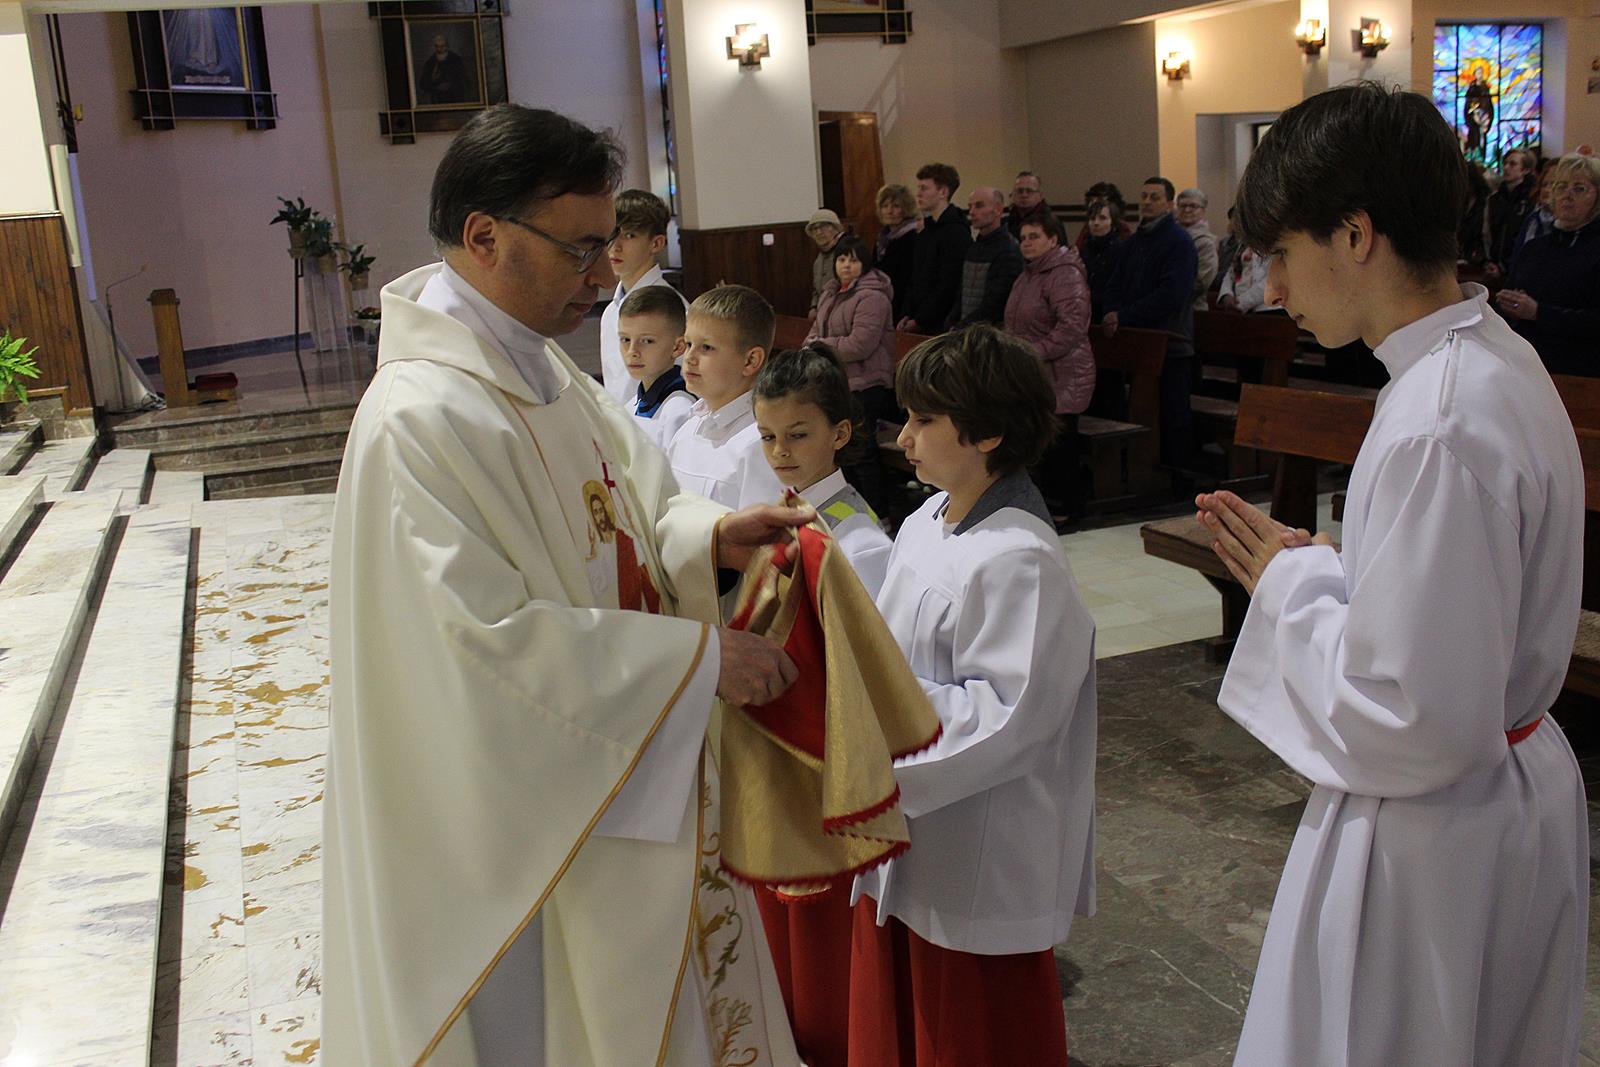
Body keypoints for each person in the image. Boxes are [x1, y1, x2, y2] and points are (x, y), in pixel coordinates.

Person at [324, 104, 812, 1066]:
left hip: (615, 780)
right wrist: (697, 661)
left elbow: (631, 504)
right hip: (518, 843)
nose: (601, 275)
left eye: (606, 246)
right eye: (582, 248)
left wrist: (707, 534)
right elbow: (479, 652)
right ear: (484, 236)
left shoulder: (540, 367)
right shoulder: (419, 418)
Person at [1199, 82, 1587, 1065]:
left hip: (1436, 834)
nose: (1273, 290)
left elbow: (1409, 713)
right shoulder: (1491, 355)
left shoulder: (1435, 420)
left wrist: (1288, 588)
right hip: (1505, 791)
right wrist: (1342, 569)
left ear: (1355, 233)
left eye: (1282, 255)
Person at [848, 324, 1096, 1067]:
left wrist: (866, 723)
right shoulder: (929, 517)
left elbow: (1007, 718)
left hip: (976, 841)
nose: (904, 437)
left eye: (925, 419)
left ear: (988, 433)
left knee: (972, 1033)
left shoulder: (1020, 557)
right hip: (910, 825)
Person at [754, 343, 893, 595]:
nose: (779, 450)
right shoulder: (784, 506)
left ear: (839, 434)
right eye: (768, 437)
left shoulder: (860, 544)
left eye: (798, 435)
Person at [1102, 176, 1199, 468]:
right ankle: (1143, 467)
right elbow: (1114, 283)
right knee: (1139, 408)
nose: (1146, 202)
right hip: (1139, 343)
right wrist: (1111, 311)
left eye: (1154, 197)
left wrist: (1124, 316)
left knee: (1173, 414)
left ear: (1169, 204)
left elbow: (1172, 294)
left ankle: (1178, 473)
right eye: (1143, 196)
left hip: (1170, 343)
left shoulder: (1179, 242)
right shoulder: (1134, 242)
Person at [1004, 213, 1093, 528]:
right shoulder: (1029, 273)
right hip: (1035, 372)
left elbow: (1072, 327)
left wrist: (1032, 352)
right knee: (1040, 441)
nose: (1027, 243)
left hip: (1063, 373)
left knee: (1060, 444)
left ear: (1053, 239)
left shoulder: (1064, 273)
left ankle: (1067, 507)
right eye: (1023, 238)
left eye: (1035, 237)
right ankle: (1042, 504)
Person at [668, 284, 788, 509]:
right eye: (689, 344)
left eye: (706, 347)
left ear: (750, 361)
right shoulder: (687, 428)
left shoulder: (761, 443)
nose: (689, 357)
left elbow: (762, 528)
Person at [806, 235, 896, 514]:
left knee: (862, 453)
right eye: (842, 259)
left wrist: (820, 347)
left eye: (853, 260)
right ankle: (851, 512)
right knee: (841, 452)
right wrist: (814, 347)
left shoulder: (873, 297)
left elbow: (860, 344)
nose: (846, 265)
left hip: (867, 383)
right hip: (838, 382)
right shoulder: (829, 293)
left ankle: (880, 515)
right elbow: (812, 334)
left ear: (864, 264)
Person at [1496, 152, 1600, 376]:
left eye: (1579, 188)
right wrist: (1506, 304)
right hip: (1527, 364)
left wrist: (1539, 313)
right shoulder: (1535, 248)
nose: (1567, 195)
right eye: (1560, 187)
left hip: (1579, 370)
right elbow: (1511, 293)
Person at [599, 188, 683, 405]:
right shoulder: (610, 311)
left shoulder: (675, 310)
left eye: (629, 235)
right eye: (612, 234)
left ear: (656, 243)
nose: (615, 246)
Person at [897, 162, 972, 335]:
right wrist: (906, 314)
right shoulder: (926, 232)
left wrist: (921, 320)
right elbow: (915, 277)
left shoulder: (955, 232)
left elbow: (948, 284)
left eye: (924, 188)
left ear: (942, 192)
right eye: (919, 188)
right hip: (919, 319)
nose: (918, 193)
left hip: (940, 324)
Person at [617, 285, 694, 447]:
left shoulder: (679, 411)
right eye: (625, 339)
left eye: (647, 341)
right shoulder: (631, 405)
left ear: (677, 347)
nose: (632, 351)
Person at [948, 185, 1024, 329]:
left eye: (979, 206)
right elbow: (962, 293)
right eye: (970, 206)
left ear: (998, 209)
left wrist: (960, 327)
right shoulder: (974, 247)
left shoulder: (1008, 250)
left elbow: (995, 304)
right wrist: (951, 323)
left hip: (988, 331)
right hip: (966, 328)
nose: (972, 212)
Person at [875, 184, 921, 323]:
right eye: (885, 206)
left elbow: (909, 277)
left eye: (895, 206)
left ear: (905, 209)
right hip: (881, 302)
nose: (889, 211)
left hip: (902, 305)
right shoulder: (883, 238)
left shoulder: (912, 237)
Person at [1488, 146, 1537, 269]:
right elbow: (1488, 233)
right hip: (1493, 263)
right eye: (1505, 163)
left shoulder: (1531, 198)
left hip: (1520, 265)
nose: (1506, 168)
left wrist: (1506, 265)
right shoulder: (1495, 199)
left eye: (1512, 164)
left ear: (1525, 170)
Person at [1079, 197, 1123, 323]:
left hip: (1108, 313)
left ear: (1113, 223)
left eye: (1102, 218)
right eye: (1092, 219)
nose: (1096, 223)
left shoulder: (1120, 250)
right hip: (1085, 311)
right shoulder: (1084, 249)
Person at [1176, 188, 1219, 311]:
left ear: (1203, 210)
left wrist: (1169, 293)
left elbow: (1201, 282)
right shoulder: (1169, 235)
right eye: (1183, 206)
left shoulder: (1206, 242)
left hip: (1191, 308)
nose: (1187, 210)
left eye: (1193, 206)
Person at [807, 209, 846, 317]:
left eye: (823, 226)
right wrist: (814, 306)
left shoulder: (845, 253)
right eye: (814, 229)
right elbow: (817, 289)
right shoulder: (818, 260)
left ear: (836, 228)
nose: (819, 232)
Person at [419, 33, 470, 104]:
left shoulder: (456, 60)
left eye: (442, 46)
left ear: (447, 46)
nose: (439, 49)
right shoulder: (430, 62)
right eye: (437, 46)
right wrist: (436, 87)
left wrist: (450, 85)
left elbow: (464, 81)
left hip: (455, 99)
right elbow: (423, 84)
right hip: (437, 100)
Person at [1004, 170, 1052, 240]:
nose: (1024, 195)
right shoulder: (1006, 222)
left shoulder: (1050, 223)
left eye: (1029, 191)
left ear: (1040, 196)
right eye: (1020, 191)